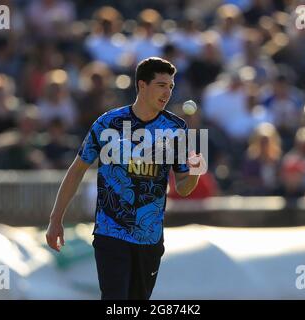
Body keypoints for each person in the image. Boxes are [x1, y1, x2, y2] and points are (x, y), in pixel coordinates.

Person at [46, 57, 206, 300]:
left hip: (149, 237)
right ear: (142, 85)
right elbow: (77, 169)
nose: (168, 92)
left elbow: (183, 188)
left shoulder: (176, 129)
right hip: (111, 232)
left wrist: (194, 172)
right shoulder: (108, 123)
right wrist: (56, 219)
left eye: (171, 87)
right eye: (162, 85)